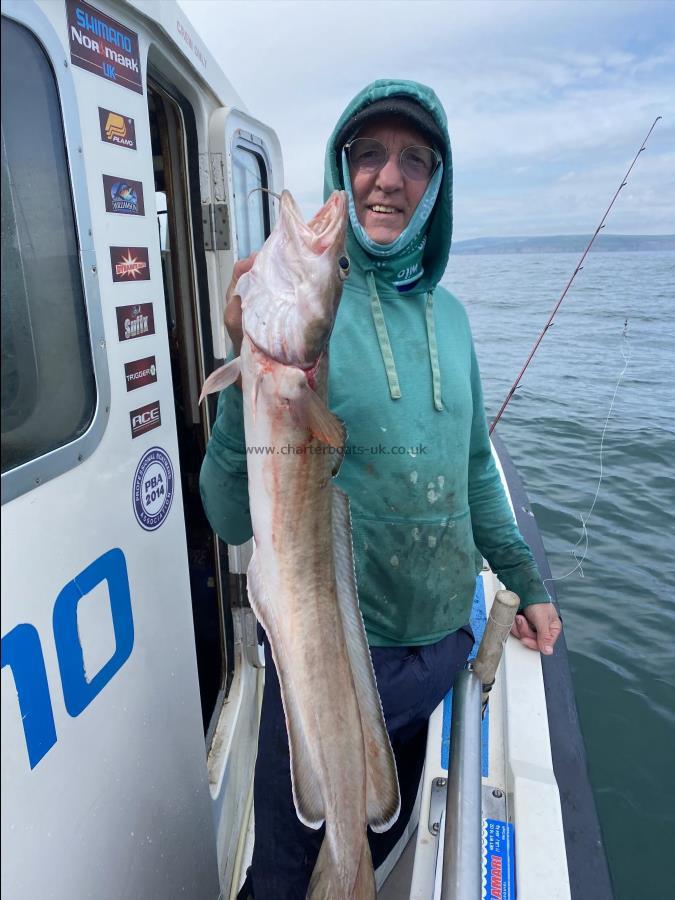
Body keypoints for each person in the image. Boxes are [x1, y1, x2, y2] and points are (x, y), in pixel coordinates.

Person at [199, 79, 562, 899]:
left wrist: (528, 583)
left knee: (381, 843)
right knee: (286, 875)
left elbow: (473, 468)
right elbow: (226, 512)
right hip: (321, 660)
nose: (386, 178)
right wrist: (247, 382)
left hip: (434, 655)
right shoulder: (309, 321)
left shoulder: (457, 321)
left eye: (413, 160)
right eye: (367, 155)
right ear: (343, 165)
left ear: (437, 186)